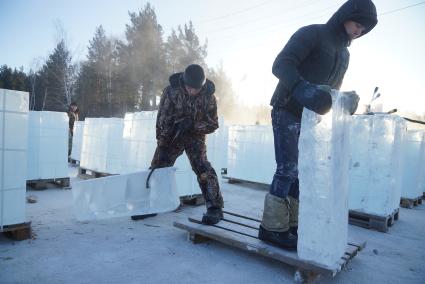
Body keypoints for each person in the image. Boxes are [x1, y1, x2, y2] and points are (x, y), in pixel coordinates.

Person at [259, 0, 378, 250]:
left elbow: (329, 92)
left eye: (364, 30)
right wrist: (301, 87)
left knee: (300, 172)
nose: (359, 31)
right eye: (358, 24)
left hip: (308, 118)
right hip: (286, 109)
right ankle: (270, 228)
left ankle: (289, 224)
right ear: (346, 15)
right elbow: (281, 64)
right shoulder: (313, 33)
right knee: (287, 169)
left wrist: (344, 99)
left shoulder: (344, 54)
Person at [133, 64, 224, 225]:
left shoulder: (209, 96)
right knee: (158, 166)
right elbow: (162, 118)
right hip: (173, 133)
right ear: (184, 82)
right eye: (190, 88)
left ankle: (215, 208)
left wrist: (193, 124)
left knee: (203, 168)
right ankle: (149, 205)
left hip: (195, 136)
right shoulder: (171, 91)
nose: (193, 91)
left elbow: (213, 123)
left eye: (197, 89)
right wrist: (162, 140)